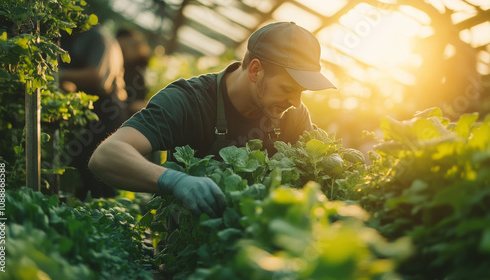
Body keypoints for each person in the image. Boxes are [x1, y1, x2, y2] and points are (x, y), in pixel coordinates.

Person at [88, 22, 336, 217]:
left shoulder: (292, 113)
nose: (296, 101)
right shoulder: (189, 101)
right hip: (189, 250)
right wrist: (173, 181)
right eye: (287, 88)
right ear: (255, 70)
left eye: (302, 92)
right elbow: (106, 156)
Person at [59, 25, 129, 199]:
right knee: (87, 165)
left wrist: (58, 75)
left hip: (107, 110)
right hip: (98, 109)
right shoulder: (89, 38)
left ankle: (106, 212)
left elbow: (96, 75)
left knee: (97, 166)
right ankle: (98, 212)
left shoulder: (96, 37)